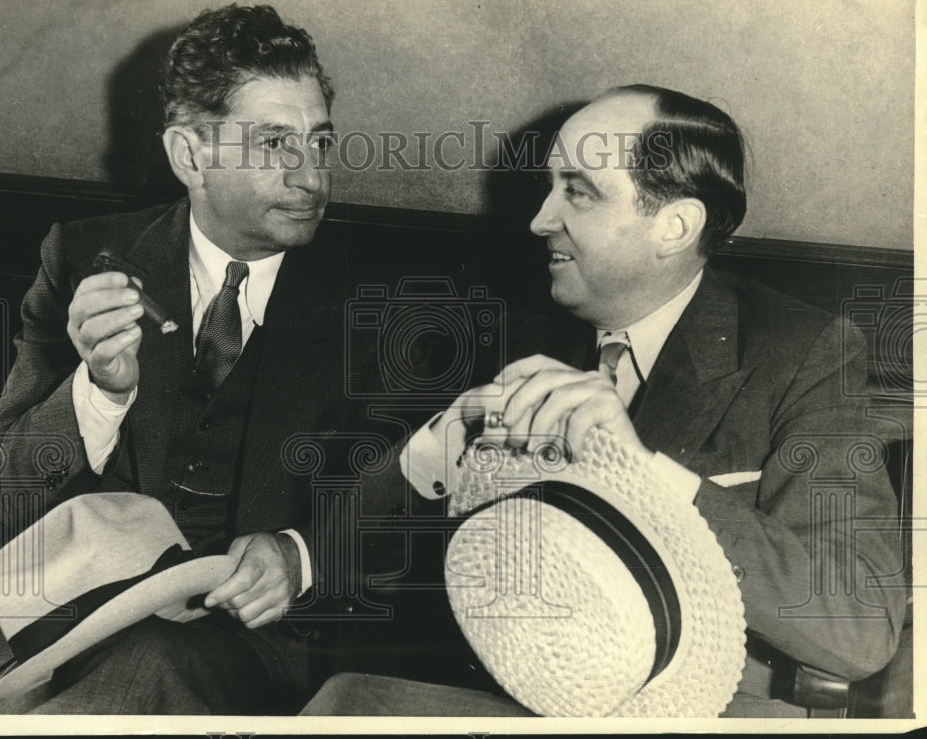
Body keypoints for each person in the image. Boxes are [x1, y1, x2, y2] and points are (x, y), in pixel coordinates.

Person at [305, 84, 907, 717]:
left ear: (674, 225)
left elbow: (858, 627)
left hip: (706, 713)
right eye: (548, 187)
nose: (540, 219)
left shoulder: (804, 350)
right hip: (524, 691)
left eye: (578, 190)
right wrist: (443, 439)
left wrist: (646, 473)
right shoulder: (522, 335)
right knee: (345, 705)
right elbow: (351, 547)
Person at [0, 3, 374, 715]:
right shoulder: (83, 257)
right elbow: (11, 491)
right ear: (190, 156)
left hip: (251, 650)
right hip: (56, 623)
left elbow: (406, 503)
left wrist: (298, 555)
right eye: (275, 143)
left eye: (320, 142)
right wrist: (99, 391)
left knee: (150, 666)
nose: (312, 177)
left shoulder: (377, 300)